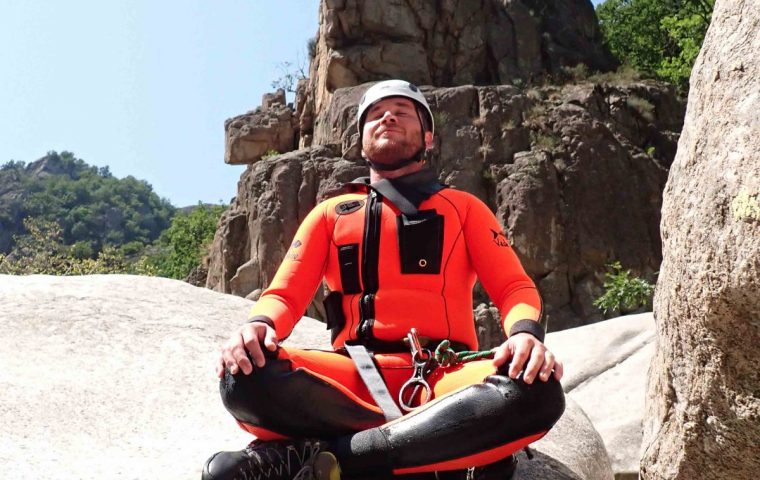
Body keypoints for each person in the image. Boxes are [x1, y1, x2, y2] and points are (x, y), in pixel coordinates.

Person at [203, 79, 565, 480]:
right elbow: (284, 295)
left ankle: (330, 456)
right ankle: (432, 446)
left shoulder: (465, 208)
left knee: (537, 391)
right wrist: (257, 327)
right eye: (376, 113)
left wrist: (525, 335)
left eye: (402, 111)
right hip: (353, 378)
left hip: (444, 376)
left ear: (427, 137)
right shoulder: (332, 213)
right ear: (361, 142)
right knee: (242, 376)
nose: (388, 116)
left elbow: (514, 287)